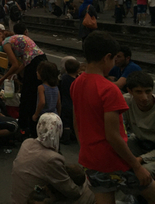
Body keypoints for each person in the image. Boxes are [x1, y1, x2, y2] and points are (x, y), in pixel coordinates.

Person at [71, 31, 155, 203]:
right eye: (114, 58)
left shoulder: (76, 83)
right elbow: (112, 135)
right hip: (114, 161)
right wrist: (137, 166)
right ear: (107, 57)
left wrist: (85, 150)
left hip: (91, 160)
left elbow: (76, 122)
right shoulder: (109, 90)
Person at [11, 113, 94, 204]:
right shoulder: (51, 159)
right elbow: (71, 191)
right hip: (34, 200)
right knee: (91, 190)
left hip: (19, 198)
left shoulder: (27, 143)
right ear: (59, 130)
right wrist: (86, 181)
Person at [0, 22, 47, 135]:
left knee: (27, 97)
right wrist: (15, 74)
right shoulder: (14, 39)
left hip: (34, 64)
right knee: (33, 94)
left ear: (0, 35)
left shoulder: (6, 43)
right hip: (40, 60)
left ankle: (24, 127)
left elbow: (15, 64)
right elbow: (24, 62)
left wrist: (2, 79)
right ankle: (32, 124)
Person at [124, 71, 155, 175]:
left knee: (145, 170)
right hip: (139, 141)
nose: (144, 97)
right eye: (139, 92)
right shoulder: (125, 101)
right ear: (130, 91)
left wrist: (140, 159)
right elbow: (119, 131)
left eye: (148, 91)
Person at [32, 61, 61, 135]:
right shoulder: (56, 88)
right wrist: (58, 115)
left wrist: (36, 114)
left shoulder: (41, 87)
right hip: (54, 116)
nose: (36, 73)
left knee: (42, 135)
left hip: (43, 117)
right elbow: (58, 103)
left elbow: (42, 102)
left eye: (38, 71)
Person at [60, 58, 80, 144]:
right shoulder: (77, 81)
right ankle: (73, 135)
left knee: (66, 121)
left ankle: (66, 137)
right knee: (72, 120)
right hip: (73, 104)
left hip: (64, 102)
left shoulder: (64, 78)